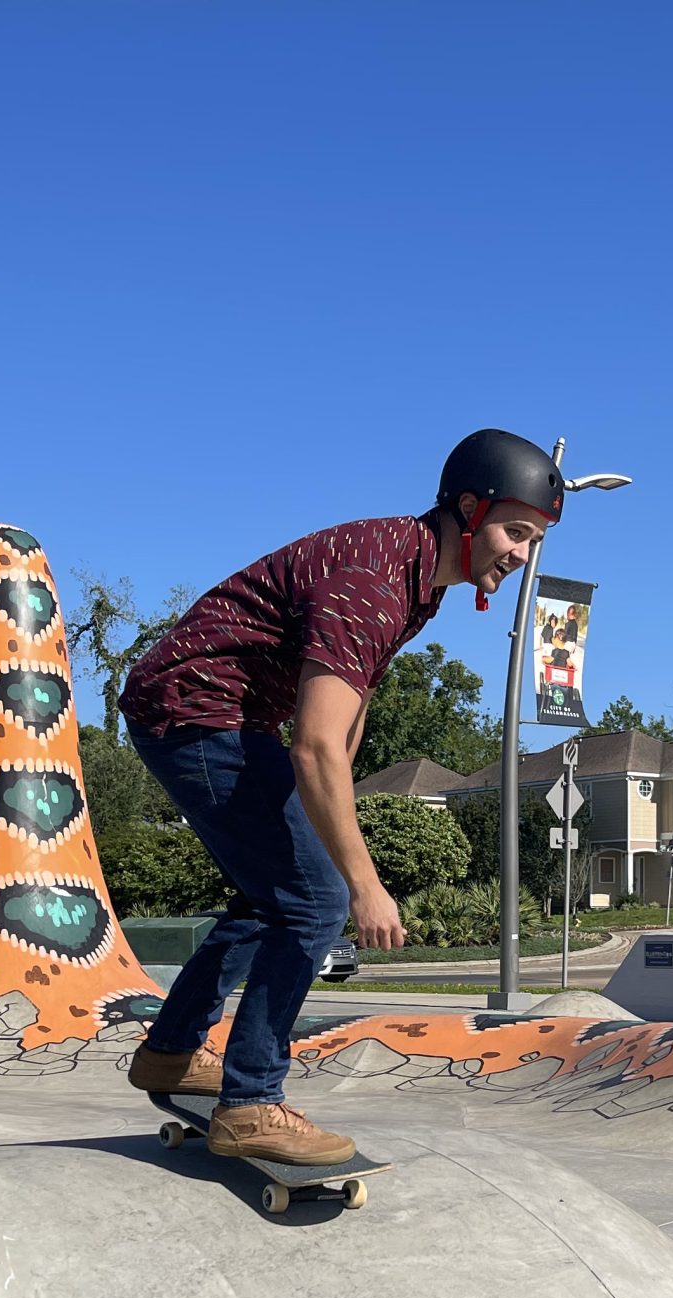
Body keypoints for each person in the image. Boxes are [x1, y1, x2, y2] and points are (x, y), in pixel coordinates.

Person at [118, 429, 565, 1165]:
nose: (520, 556)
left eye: (535, 542)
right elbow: (315, 745)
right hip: (197, 709)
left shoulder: (417, 579)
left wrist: (330, 823)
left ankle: (169, 1052)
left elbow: (347, 718)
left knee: (280, 895)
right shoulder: (376, 580)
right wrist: (363, 885)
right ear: (468, 507)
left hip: (219, 713)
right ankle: (251, 1102)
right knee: (315, 901)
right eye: (515, 532)